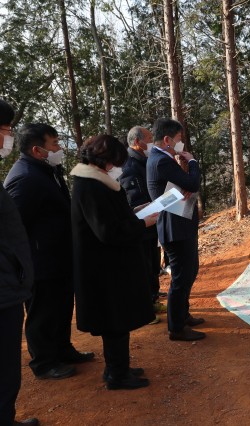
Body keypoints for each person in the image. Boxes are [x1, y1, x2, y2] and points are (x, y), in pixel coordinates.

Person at [4, 123, 94, 381]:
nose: (59, 149)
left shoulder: (46, 170)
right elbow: (15, 226)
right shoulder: (24, 178)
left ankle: (63, 350)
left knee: (61, 307)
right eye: (54, 144)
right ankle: (44, 362)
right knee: (42, 312)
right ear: (37, 150)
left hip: (58, 257)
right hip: (40, 262)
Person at [70, 134, 158, 390]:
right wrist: (142, 223)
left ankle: (117, 367)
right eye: (115, 161)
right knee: (115, 322)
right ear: (105, 159)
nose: (117, 167)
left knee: (117, 322)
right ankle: (117, 375)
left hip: (110, 266)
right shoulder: (90, 185)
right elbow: (107, 231)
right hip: (105, 270)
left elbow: (112, 218)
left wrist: (135, 215)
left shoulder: (96, 181)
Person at [146, 118, 204, 341]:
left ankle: (183, 315)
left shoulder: (162, 159)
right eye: (179, 139)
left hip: (179, 221)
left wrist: (182, 187)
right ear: (168, 140)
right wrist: (192, 162)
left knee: (188, 272)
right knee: (181, 277)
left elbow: (184, 186)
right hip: (174, 226)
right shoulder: (162, 161)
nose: (181, 144)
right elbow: (193, 183)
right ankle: (176, 327)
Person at [0, 100, 40, 426]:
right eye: (6, 130)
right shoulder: (21, 177)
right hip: (2, 290)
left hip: (8, 284)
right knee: (4, 365)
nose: (8, 137)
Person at [119, 126, 165, 322]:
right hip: (141, 226)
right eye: (148, 138)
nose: (152, 141)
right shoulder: (128, 166)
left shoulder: (145, 161)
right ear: (137, 142)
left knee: (153, 264)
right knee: (144, 267)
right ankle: (145, 307)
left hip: (152, 222)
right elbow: (135, 200)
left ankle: (152, 297)